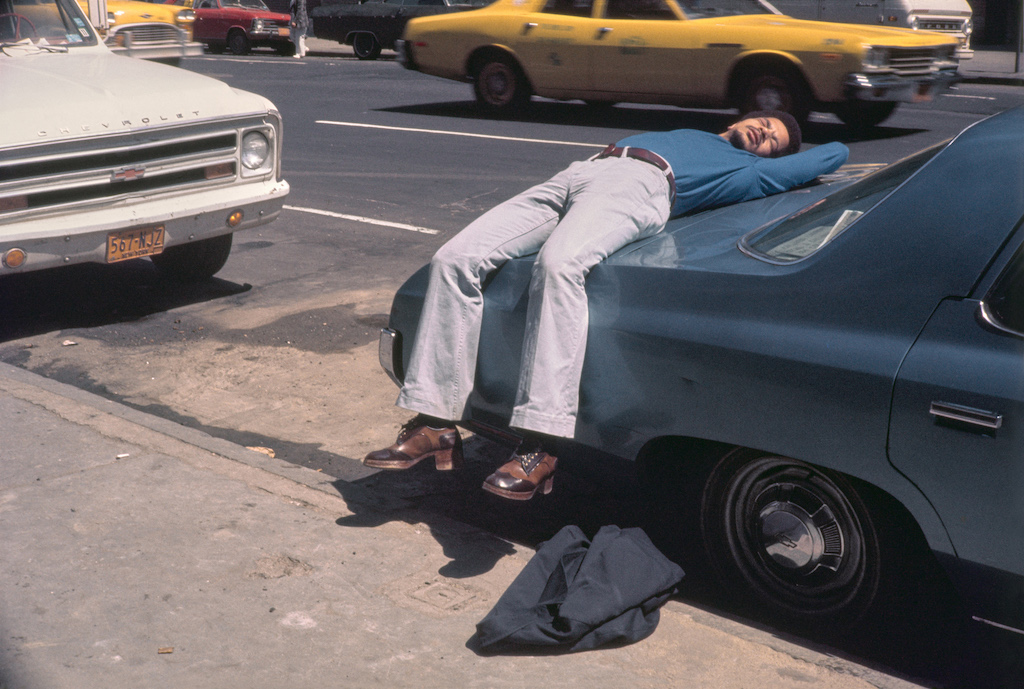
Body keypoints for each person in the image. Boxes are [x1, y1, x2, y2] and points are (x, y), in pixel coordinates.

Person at [365, 111, 849, 501]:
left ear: (771, 159)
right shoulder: (693, 131)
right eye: (766, 122)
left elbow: (836, 152)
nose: (764, 132)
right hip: (581, 172)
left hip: (640, 188)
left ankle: (543, 444)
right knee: (454, 259)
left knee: (559, 266)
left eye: (773, 140)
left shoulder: (751, 172)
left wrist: (783, 148)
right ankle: (434, 421)